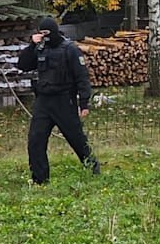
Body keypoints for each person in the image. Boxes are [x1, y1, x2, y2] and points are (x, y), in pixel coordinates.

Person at [17, 17, 99, 184]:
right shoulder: (39, 48)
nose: (45, 37)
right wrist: (32, 44)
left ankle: (93, 168)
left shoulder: (70, 49)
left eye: (47, 33)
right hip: (43, 102)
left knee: (76, 139)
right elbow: (23, 64)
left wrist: (84, 103)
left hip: (64, 101)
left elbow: (82, 77)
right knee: (35, 140)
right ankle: (40, 179)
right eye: (42, 33)